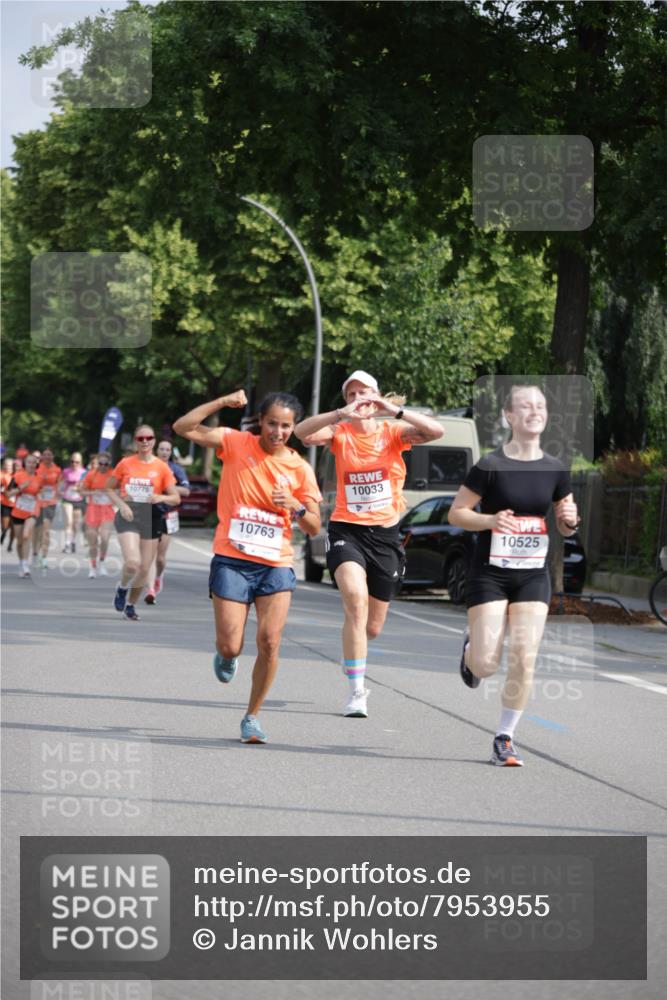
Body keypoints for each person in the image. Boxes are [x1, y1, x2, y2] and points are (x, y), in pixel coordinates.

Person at [173, 389, 322, 744]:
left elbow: (315, 526)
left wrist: (296, 508)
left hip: (276, 564)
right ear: (260, 422)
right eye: (272, 423)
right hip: (233, 560)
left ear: (293, 427)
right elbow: (183, 427)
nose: (278, 432)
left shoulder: (300, 468)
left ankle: (252, 716)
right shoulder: (236, 443)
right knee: (230, 646)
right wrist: (223, 402)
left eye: (286, 426)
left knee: (270, 641)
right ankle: (227, 656)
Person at [294, 370, 442, 718]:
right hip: (347, 530)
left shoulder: (394, 431)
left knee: (371, 627)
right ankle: (357, 691)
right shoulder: (339, 432)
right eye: (352, 394)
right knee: (355, 603)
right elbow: (301, 434)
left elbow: (436, 431)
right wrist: (338, 414)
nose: (359, 399)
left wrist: (392, 410)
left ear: (376, 397)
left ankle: (354, 651)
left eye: (365, 393)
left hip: (386, 536)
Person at [448, 384, 579, 767]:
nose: (534, 411)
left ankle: (505, 737)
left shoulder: (556, 468)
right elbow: (457, 513)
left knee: (525, 656)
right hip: (489, 572)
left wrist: (569, 523)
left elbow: (567, 520)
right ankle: (472, 650)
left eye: (540, 405)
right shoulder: (490, 465)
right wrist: (490, 519)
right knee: (486, 665)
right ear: (509, 416)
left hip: (532, 574)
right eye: (525, 406)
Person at [104, 425, 180, 620]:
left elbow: (175, 498)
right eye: (140, 438)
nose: (145, 441)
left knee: (145, 568)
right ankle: (122, 588)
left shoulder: (161, 467)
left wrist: (160, 497)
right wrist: (122, 505)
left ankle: (130, 604)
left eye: (148, 438)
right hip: (129, 515)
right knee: (132, 563)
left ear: (154, 440)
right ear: (136, 442)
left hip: (151, 517)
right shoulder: (125, 463)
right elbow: (109, 488)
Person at [144, 439, 191, 604]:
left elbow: (185, 491)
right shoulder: (149, 466)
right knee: (150, 554)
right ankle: (150, 590)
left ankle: (158, 576)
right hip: (150, 513)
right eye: (162, 449)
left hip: (169, 515)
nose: (164, 452)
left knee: (161, 558)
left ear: (171, 452)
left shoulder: (176, 469)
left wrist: (167, 487)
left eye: (167, 450)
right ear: (157, 450)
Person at [81, 451, 115, 578]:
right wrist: (93, 493)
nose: (103, 466)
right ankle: (92, 567)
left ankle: (102, 562)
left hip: (107, 509)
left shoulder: (113, 475)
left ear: (109, 463)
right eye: (101, 463)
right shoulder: (91, 475)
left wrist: (110, 492)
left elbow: (120, 490)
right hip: (93, 509)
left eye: (106, 464)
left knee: (105, 537)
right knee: (93, 540)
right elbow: (82, 491)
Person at [7, 453, 42, 577]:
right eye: (29, 462)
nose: (32, 464)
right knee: (20, 541)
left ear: (37, 464)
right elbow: (8, 494)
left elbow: (41, 493)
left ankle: (26, 565)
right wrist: (21, 488)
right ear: (25, 464)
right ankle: (21, 562)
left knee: (26, 536)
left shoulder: (39, 478)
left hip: (32, 510)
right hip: (18, 511)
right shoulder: (17, 476)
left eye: (34, 462)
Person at [34, 447, 62, 569]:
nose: (46, 457)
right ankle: (35, 554)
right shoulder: (37, 468)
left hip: (50, 503)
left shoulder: (57, 470)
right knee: (37, 530)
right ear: (42, 457)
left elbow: (59, 485)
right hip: (37, 502)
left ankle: (44, 557)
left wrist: (58, 493)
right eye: (44, 454)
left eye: (49, 454)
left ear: (53, 456)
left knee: (46, 530)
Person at [58, 452, 87, 553]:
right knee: (69, 522)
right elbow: (60, 482)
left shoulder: (84, 472)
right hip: (67, 499)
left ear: (80, 462)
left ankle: (73, 542)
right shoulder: (66, 471)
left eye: (77, 462)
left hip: (78, 500)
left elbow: (87, 486)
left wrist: (80, 488)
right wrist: (60, 491)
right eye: (72, 461)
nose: (74, 464)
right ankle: (67, 544)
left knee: (76, 524)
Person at [1, 457, 16, 551]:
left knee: (14, 527)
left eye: (10, 465)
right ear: (3, 465)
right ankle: (4, 532)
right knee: (4, 526)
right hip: (4, 503)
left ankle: (10, 544)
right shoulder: (1, 474)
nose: (8, 467)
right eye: (6, 465)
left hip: (16, 505)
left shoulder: (17, 475)